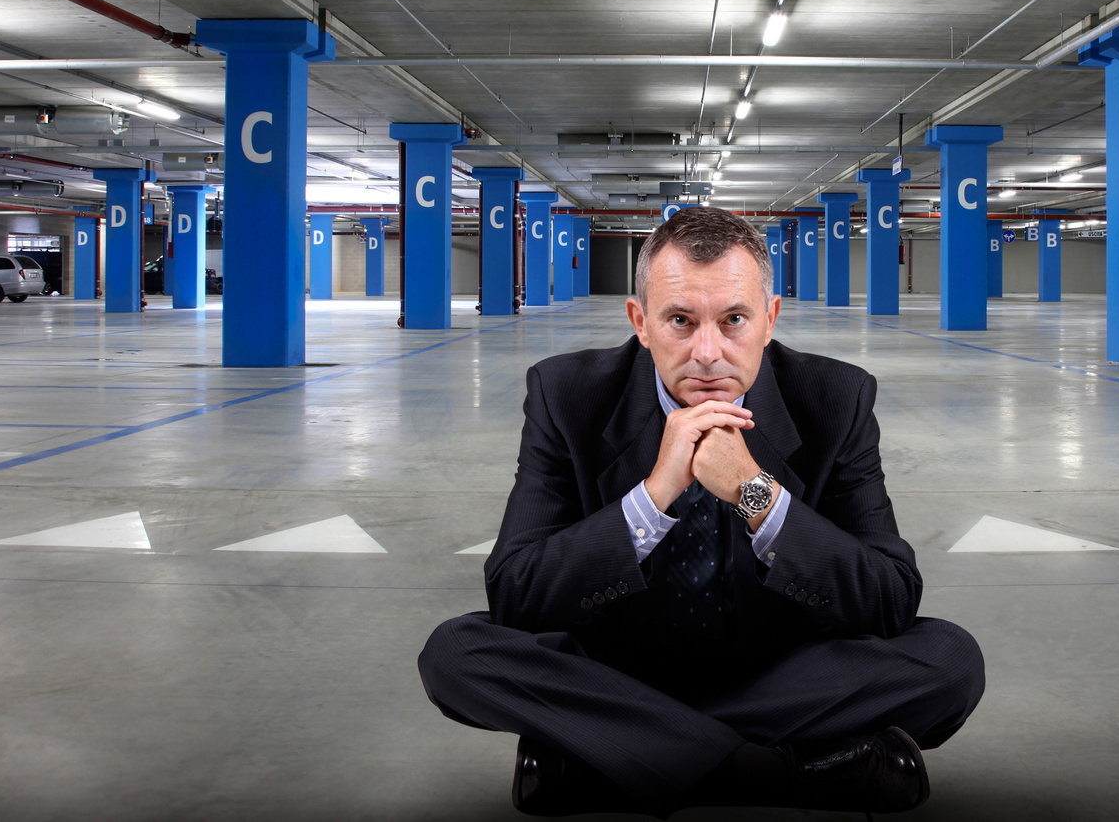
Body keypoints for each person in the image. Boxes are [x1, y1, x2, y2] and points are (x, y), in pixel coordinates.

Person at [419, 206, 984, 816]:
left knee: (951, 660)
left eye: (734, 319)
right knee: (456, 653)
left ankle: (612, 756)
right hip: (620, 665)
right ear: (641, 321)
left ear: (769, 319)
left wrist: (755, 493)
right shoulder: (566, 393)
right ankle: (775, 771)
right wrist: (653, 494)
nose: (708, 353)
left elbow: (891, 598)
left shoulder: (837, 397)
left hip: (781, 667)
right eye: (680, 321)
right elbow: (515, 594)